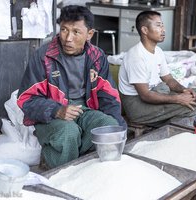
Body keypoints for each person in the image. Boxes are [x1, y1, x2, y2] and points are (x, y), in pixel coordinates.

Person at [17, 5, 126, 168]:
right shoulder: (44, 56)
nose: (68, 38)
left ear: (90, 34)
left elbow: (108, 96)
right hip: (51, 115)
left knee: (107, 125)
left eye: (76, 32)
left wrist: (116, 129)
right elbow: (26, 99)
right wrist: (57, 110)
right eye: (64, 30)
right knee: (68, 132)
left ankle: (66, 159)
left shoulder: (96, 57)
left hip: (85, 110)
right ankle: (63, 178)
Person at [118, 10, 196, 127]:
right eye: (158, 25)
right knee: (187, 107)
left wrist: (184, 90)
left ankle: (167, 122)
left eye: (162, 25)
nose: (163, 30)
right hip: (137, 105)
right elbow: (145, 95)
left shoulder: (158, 52)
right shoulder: (136, 56)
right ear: (145, 30)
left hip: (156, 92)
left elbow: (169, 79)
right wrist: (178, 99)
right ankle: (166, 131)